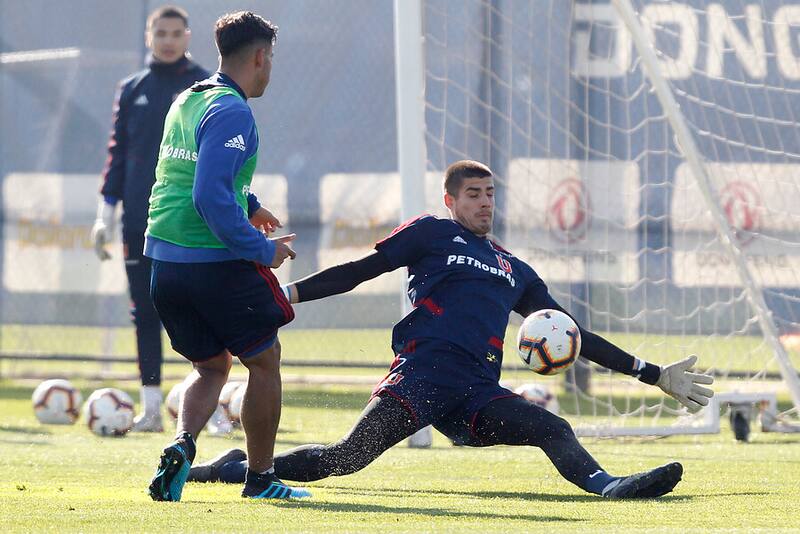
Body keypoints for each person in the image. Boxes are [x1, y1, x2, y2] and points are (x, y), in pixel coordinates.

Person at [188, 160, 715, 499]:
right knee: (342, 460)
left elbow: (572, 332)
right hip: (422, 375)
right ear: (451, 201)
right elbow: (360, 271)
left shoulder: (515, 269)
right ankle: (235, 466)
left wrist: (652, 374)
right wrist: (289, 294)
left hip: (477, 394)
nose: (485, 202)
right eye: (473, 194)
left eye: (490, 193)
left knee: (551, 428)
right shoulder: (432, 233)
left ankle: (609, 486)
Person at [145, 11, 309, 501]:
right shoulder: (233, 110)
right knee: (265, 360)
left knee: (213, 366)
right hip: (212, 263)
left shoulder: (188, 99)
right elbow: (210, 196)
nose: (270, 69)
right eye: (271, 59)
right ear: (260, 57)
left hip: (166, 266)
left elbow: (195, 173)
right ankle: (260, 480)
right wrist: (262, 248)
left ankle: (182, 445)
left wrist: (252, 206)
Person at [91, 5, 209, 432]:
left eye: (176, 32)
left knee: (199, 307)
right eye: (161, 32)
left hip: (190, 219)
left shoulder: (204, 86)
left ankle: (209, 403)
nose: (168, 40)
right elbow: (117, 154)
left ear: (188, 37)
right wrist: (105, 212)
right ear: (148, 36)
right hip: (139, 221)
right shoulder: (131, 88)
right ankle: (153, 407)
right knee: (144, 310)